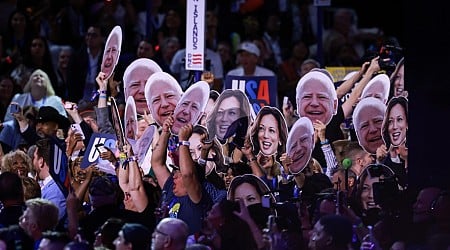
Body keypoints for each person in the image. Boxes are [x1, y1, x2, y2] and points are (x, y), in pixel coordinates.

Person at [206, 89, 253, 164]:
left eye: (231, 113)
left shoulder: (251, 149)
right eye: (220, 112)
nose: (224, 119)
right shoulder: (203, 142)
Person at [32, 138, 67, 222]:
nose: (32, 161)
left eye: (34, 157)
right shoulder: (42, 184)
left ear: (41, 162)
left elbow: (50, 225)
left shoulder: (55, 192)